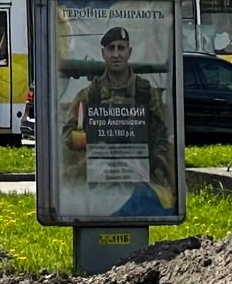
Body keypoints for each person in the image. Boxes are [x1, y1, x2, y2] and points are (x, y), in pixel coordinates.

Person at [62, 25, 175, 217]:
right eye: (111, 48)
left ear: (129, 52)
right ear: (103, 53)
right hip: (99, 186)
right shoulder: (90, 95)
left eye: (121, 48)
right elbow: (67, 136)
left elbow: (161, 138)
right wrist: (89, 140)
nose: (116, 54)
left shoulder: (145, 93)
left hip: (139, 185)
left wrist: (155, 166)